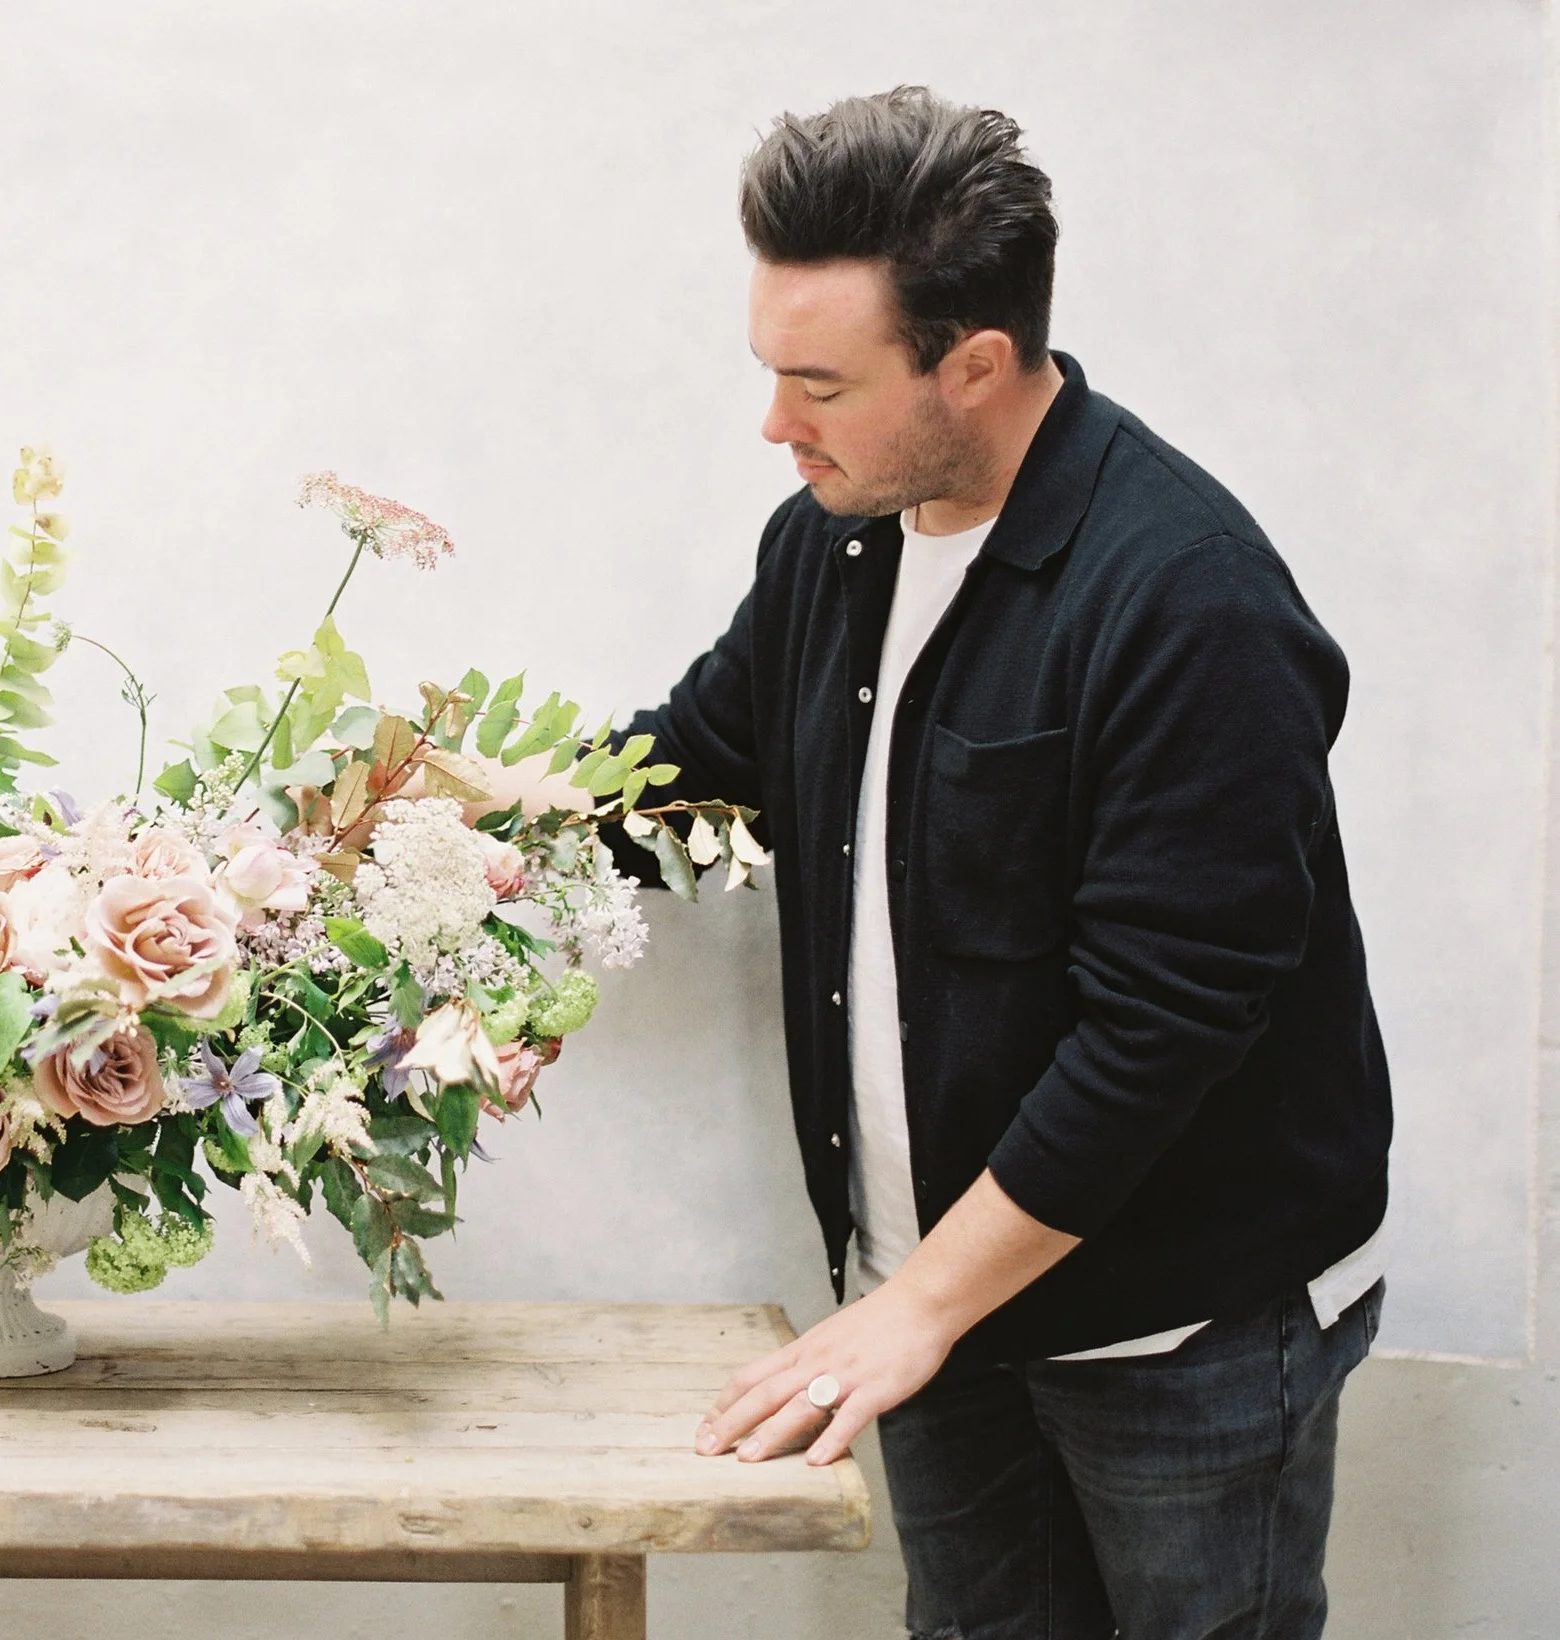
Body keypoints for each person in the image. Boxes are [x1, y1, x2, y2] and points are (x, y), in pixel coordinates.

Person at [584, 87, 1392, 1638]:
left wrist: (916, 1313)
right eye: (770, 374)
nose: (775, 425)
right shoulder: (829, 539)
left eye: (817, 382)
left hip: (1178, 1329)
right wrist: (413, 850)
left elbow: (1162, 1027)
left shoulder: (1187, 601)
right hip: (925, 1305)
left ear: (976, 361)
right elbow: (691, 766)